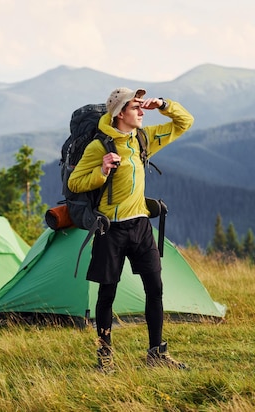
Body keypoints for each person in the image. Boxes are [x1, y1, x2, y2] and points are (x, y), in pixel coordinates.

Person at [67, 87, 194, 373]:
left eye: (141, 106)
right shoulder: (101, 146)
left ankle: (156, 354)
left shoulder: (143, 139)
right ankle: (105, 357)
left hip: (140, 225)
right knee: (107, 294)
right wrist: (101, 171)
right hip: (110, 229)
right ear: (119, 113)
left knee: (155, 288)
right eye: (135, 107)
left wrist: (163, 104)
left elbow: (184, 122)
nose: (141, 111)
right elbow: (75, 183)